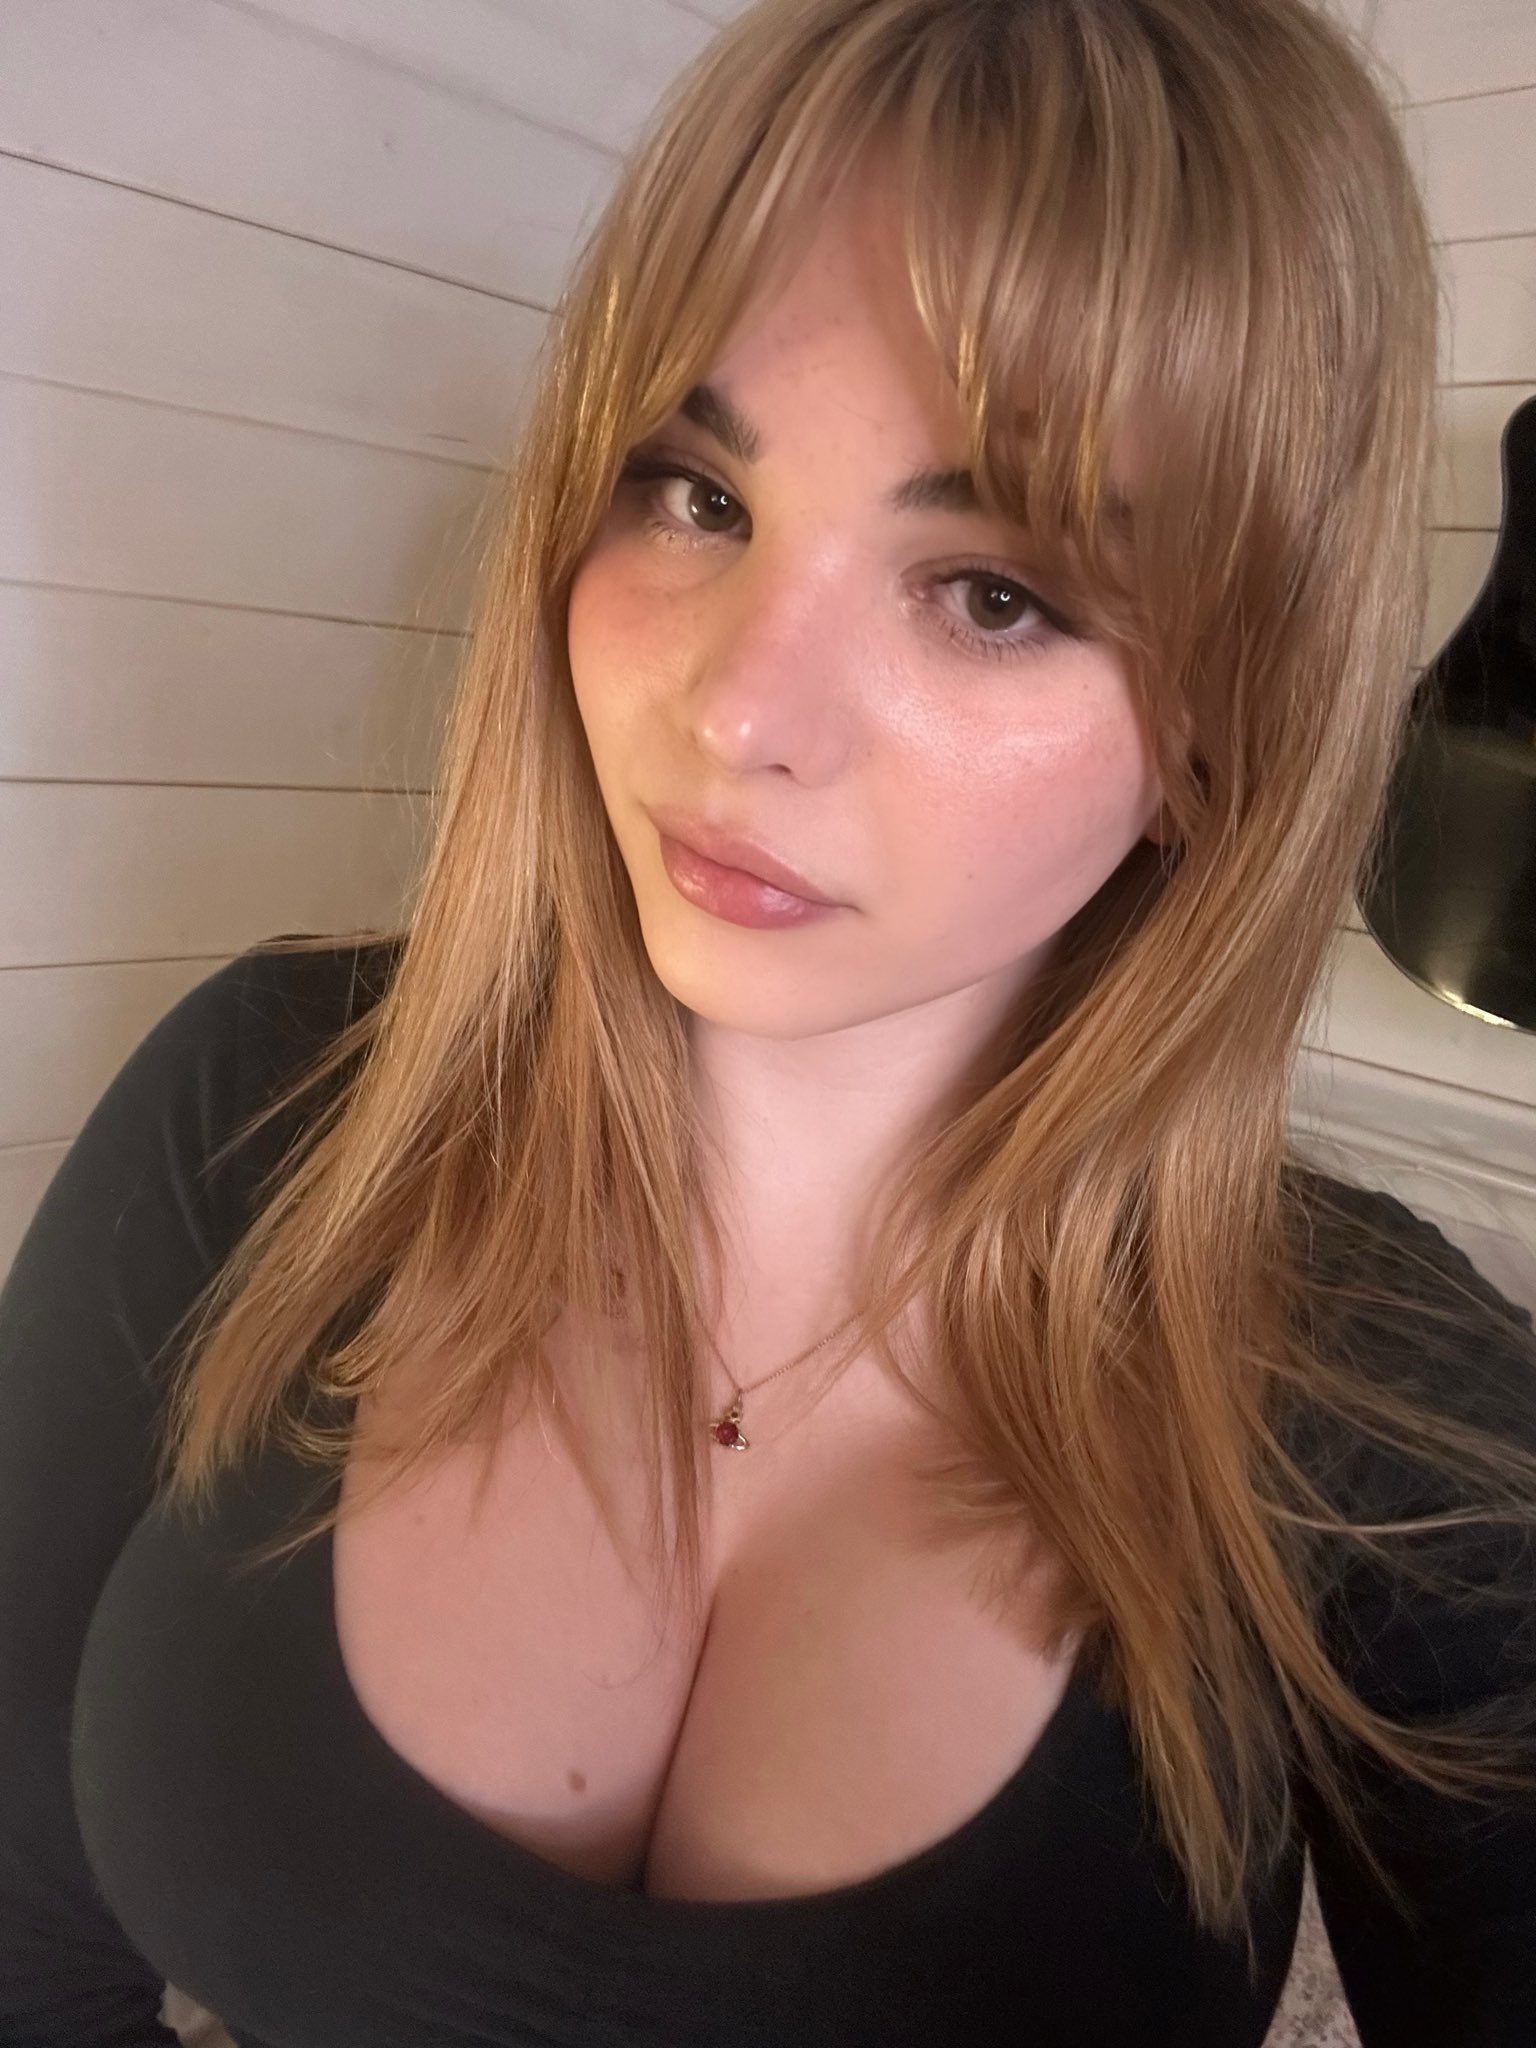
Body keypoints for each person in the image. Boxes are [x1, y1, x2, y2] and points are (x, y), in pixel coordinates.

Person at [3, 0, 1536, 2042]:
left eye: (995, 590)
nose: (738, 714)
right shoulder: (263, 1098)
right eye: (694, 493)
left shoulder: (1391, 1413)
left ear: (1217, 727)